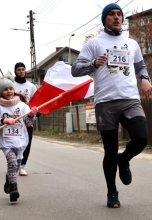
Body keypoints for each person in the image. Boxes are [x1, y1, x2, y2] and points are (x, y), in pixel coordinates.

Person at [71, 3, 152, 208]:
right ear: (104, 19)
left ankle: (123, 159)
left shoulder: (132, 43)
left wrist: (144, 78)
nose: (116, 17)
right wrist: (93, 64)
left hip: (130, 99)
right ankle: (112, 192)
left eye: (119, 14)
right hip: (105, 103)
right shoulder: (94, 43)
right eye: (112, 14)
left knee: (142, 138)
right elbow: (75, 69)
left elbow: (141, 66)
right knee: (110, 150)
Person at [0, 78, 37, 202]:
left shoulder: (22, 105)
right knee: (12, 162)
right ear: (0, 92)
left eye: (11, 88)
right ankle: (14, 188)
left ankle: (9, 179)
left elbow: (28, 122)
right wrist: (3, 121)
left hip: (20, 141)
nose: (9, 91)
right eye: (5, 89)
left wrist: (31, 115)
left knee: (15, 165)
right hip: (6, 142)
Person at [13, 62, 38, 176]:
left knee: (26, 143)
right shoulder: (11, 85)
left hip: (27, 118)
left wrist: (36, 113)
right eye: (19, 69)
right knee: (15, 143)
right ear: (15, 71)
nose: (21, 71)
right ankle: (13, 163)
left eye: (23, 69)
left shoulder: (31, 86)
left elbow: (35, 101)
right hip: (14, 118)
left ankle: (22, 166)